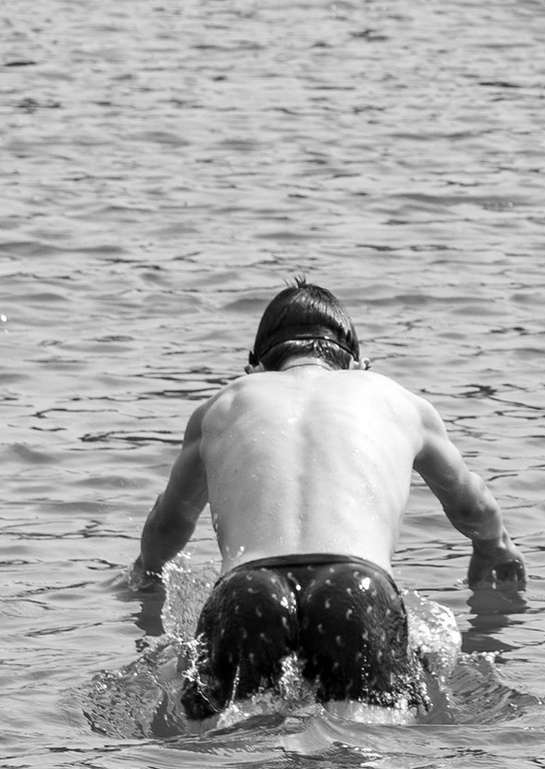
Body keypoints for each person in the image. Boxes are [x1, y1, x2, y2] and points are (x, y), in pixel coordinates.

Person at [132, 279, 524, 722]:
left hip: (248, 590)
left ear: (253, 368)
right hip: (356, 586)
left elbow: (169, 524)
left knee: (224, 765)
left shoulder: (224, 405)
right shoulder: (398, 400)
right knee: (366, 762)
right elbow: (474, 507)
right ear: (359, 365)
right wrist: (495, 548)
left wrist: (144, 575)